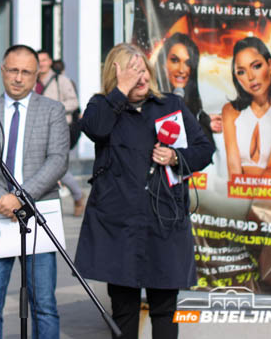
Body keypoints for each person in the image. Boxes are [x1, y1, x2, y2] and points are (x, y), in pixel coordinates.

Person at [75, 43, 214, 339]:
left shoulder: (170, 106)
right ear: (117, 75)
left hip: (164, 222)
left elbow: (204, 149)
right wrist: (119, 93)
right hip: (118, 225)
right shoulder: (103, 105)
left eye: (144, 71)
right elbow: (95, 129)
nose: (141, 78)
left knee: (164, 309)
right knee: (123, 310)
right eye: (133, 72)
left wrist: (176, 157)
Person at [0, 45, 69, 339]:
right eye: (12, 70)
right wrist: (1, 198)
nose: (18, 78)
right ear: (2, 71)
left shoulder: (53, 110)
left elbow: (58, 160)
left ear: (36, 74)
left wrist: (20, 197)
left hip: (38, 220)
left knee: (44, 307)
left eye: (26, 72)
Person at [222, 36, 271, 178]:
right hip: (238, 195)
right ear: (237, 78)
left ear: (270, 66)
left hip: (270, 195)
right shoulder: (230, 111)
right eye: (241, 72)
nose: (250, 77)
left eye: (256, 66)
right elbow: (233, 168)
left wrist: (256, 200)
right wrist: (240, 199)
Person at [36, 50, 85, 216]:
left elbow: (74, 102)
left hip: (59, 130)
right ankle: (76, 196)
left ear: (50, 62)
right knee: (47, 166)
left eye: (44, 60)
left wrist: (54, 107)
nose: (41, 63)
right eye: (38, 60)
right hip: (38, 131)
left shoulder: (61, 81)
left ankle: (78, 196)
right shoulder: (32, 82)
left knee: (56, 166)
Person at [160, 32, 222, 143]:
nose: (182, 69)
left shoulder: (197, 111)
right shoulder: (150, 103)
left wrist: (205, 122)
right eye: (175, 60)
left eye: (188, 63)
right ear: (162, 63)